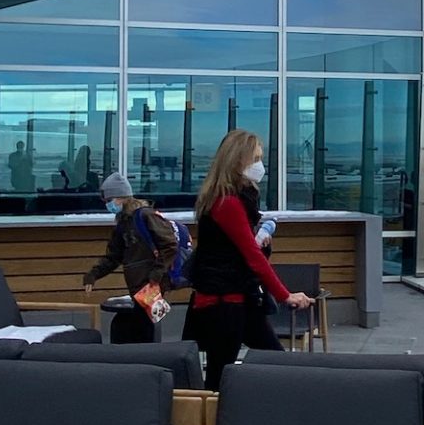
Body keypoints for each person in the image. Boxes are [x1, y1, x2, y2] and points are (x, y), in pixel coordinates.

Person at [187, 129, 310, 388]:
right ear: (238, 160)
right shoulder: (228, 203)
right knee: (222, 376)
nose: (260, 165)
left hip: (237, 299)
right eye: (255, 158)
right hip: (226, 302)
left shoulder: (225, 201)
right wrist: (285, 295)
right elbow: (251, 256)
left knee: (266, 362)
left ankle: (220, 423)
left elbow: (241, 250)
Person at [82, 170, 179, 344]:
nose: (108, 205)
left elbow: (170, 245)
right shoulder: (123, 223)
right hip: (139, 287)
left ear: (121, 197)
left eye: (109, 201)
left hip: (151, 284)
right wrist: (94, 274)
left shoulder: (145, 216)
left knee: (144, 329)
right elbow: (114, 256)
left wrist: (157, 273)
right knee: (138, 327)